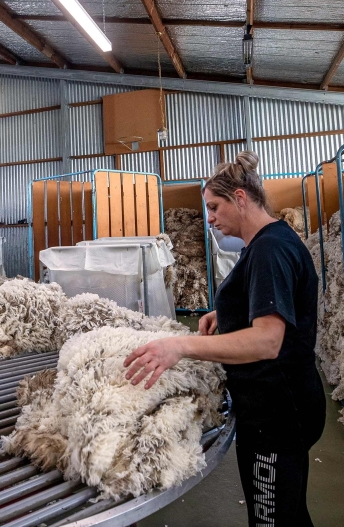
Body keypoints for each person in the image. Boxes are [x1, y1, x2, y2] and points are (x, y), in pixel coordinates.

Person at [122, 151, 324, 526]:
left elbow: (267, 341)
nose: (210, 218)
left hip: (278, 413)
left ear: (241, 199)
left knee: (271, 519)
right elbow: (272, 305)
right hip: (280, 405)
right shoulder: (270, 240)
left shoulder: (269, 249)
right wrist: (228, 313)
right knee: (290, 514)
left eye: (215, 207)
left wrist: (180, 347)